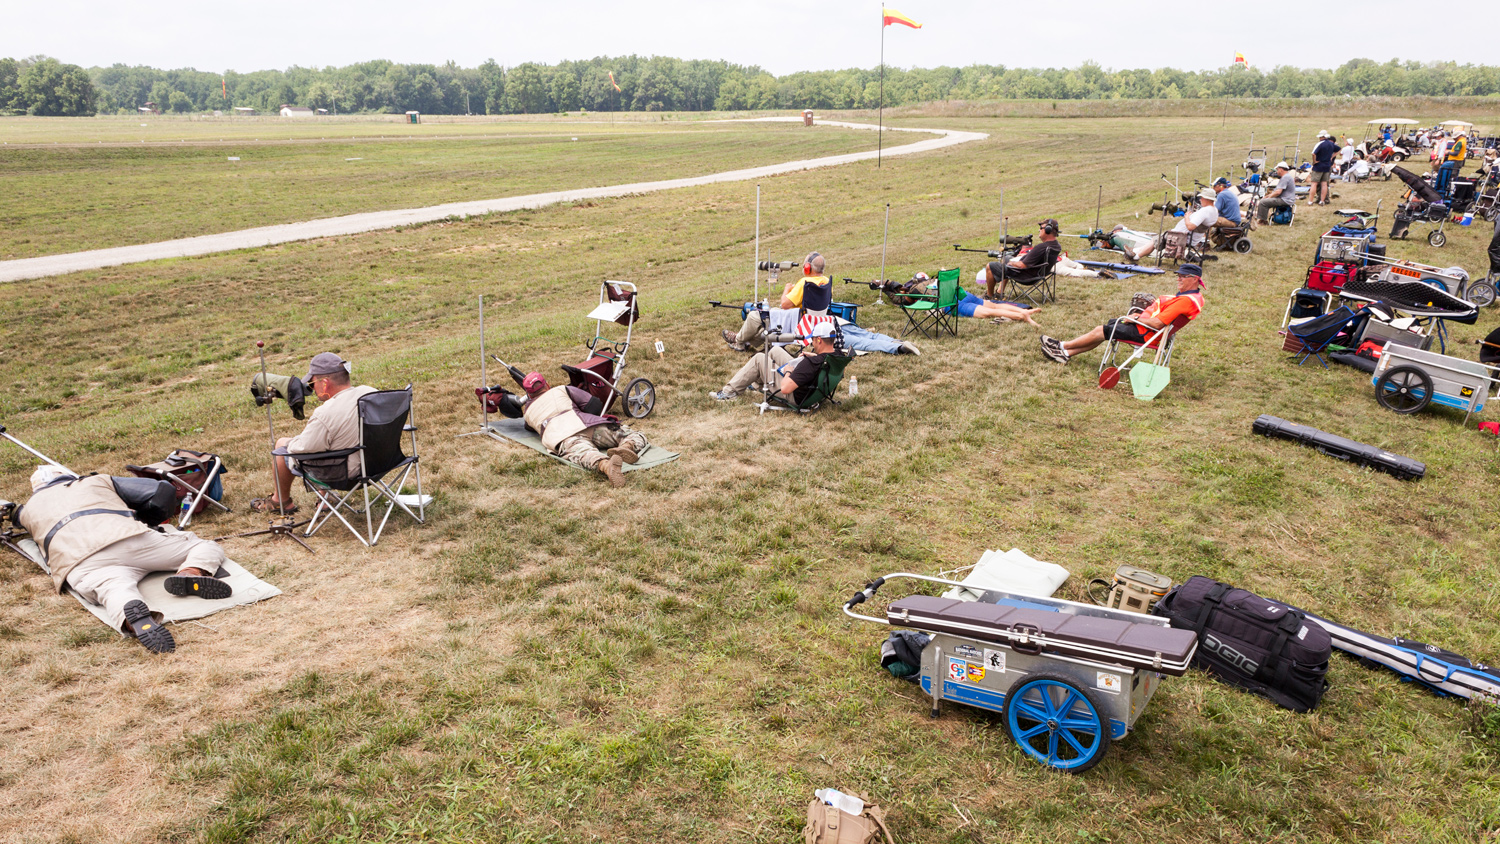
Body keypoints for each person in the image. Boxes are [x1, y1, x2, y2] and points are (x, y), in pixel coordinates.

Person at [18, 466, 232, 654]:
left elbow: (15, 515)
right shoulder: (94, 480)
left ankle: (133, 618)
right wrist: (148, 520)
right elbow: (161, 490)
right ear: (67, 476)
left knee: (114, 591)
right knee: (202, 546)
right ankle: (190, 573)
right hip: (129, 539)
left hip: (79, 564)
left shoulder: (28, 510)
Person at [257, 352, 376, 514]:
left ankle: (280, 502)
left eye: (312, 384)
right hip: (377, 465)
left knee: (282, 445)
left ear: (325, 383)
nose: (312, 388)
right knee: (330, 443)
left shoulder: (325, 413)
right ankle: (325, 500)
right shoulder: (370, 393)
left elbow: (300, 449)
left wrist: (293, 441)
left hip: (347, 473)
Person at [1038, 264, 1206, 364]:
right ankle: (1066, 353)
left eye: (1182, 276)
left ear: (1194, 279)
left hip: (1147, 334)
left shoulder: (1186, 301)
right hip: (1148, 331)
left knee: (1102, 330)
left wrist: (1136, 318)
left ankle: (1062, 346)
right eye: (1178, 276)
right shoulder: (1194, 297)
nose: (1179, 279)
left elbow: (1157, 324)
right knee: (1109, 328)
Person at [520, 373, 648, 487]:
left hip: (563, 437)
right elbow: (594, 404)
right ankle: (627, 447)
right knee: (632, 434)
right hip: (586, 424)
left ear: (528, 395)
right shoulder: (561, 389)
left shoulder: (527, 413)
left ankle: (606, 466)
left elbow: (529, 427)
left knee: (586, 454)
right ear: (547, 384)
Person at [711, 320, 843, 404]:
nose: (812, 343)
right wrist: (813, 355)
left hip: (796, 395)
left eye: (813, 340)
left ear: (819, 340)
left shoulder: (811, 363)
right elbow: (818, 362)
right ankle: (757, 383)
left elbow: (786, 388)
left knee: (758, 359)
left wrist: (788, 373)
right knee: (775, 351)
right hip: (812, 386)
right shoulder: (838, 356)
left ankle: (729, 392)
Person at [722, 251, 832, 350]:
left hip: (797, 321)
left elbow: (784, 304)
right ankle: (744, 341)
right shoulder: (827, 281)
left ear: (807, 267)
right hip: (814, 321)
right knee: (766, 321)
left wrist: (786, 289)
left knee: (754, 316)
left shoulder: (805, 282)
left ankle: (738, 341)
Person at [980, 219, 1063, 299]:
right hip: (1038, 273)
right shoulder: (1056, 245)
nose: (1039, 230)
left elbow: (1022, 265)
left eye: (1041, 228)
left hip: (1025, 276)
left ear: (1048, 230)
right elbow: (1034, 258)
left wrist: (1012, 263)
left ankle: (989, 296)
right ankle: (999, 292)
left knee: (990, 266)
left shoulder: (1041, 247)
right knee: (1007, 258)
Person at [1130, 191, 1217, 260]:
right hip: (1190, 237)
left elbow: (1190, 227)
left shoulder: (1204, 211)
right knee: (1159, 237)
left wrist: (1187, 217)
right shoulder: (1214, 210)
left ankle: (1136, 256)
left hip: (1183, 237)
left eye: (1202, 198)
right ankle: (1135, 251)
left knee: (1158, 239)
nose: (1200, 199)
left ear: (1206, 199)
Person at [1309, 130, 1339, 206]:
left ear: (1322, 137)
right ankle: (1322, 201)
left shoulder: (1320, 144)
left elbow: (1313, 153)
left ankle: (1310, 201)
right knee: (1324, 184)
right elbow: (1339, 149)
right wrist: (1332, 157)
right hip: (1327, 165)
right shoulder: (1331, 144)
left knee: (1314, 183)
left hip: (1319, 165)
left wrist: (1314, 161)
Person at [1436, 131, 1467, 195]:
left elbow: (1455, 153)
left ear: (1458, 136)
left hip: (1455, 161)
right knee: (1453, 176)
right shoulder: (1463, 140)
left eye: (1455, 138)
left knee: (1452, 176)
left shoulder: (1460, 142)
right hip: (1458, 160)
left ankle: (1451, 191)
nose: (1454, 139)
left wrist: (1448, 152)